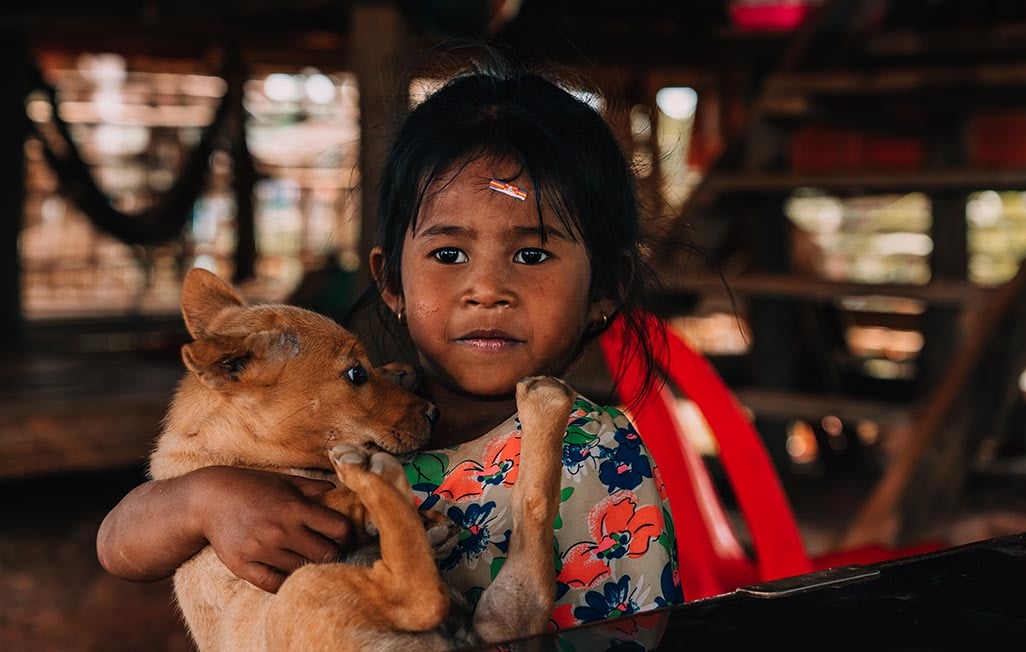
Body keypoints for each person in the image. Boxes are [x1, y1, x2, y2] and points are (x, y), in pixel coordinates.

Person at [97, 54, 683, 647]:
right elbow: (119, 547)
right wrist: (200, 501)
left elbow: (624, 637)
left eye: (531, 255)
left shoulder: (597, 459)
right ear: (392, 282)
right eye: (449, 255)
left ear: (603, 292)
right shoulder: (340, 418)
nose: (486, 291)